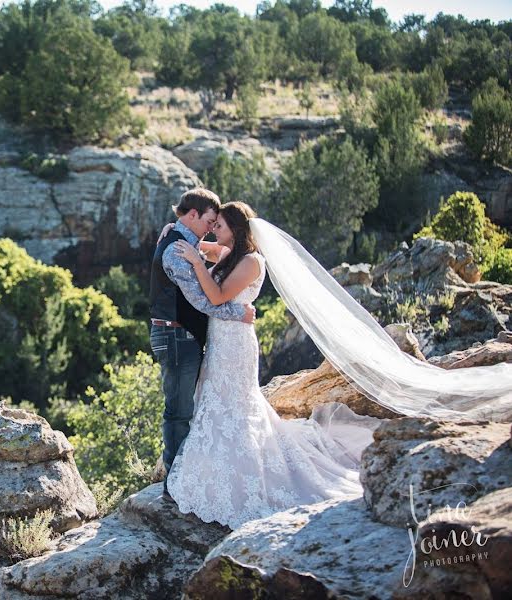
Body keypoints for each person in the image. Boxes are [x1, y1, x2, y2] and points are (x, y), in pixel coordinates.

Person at [163, 201, 512, 528]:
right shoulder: (228, 253)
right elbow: (208, 248)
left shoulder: (252, 261)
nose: (213, 232)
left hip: (236, 344)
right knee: (217, 402)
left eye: (219, 226)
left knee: (237, 404)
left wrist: (195, 262)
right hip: (223, 339)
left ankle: (245, 470)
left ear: (236, 231)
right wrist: (179, 234)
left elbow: (217, 295)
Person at [148, 188, 254, 499]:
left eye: (217, 223)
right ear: (193, 215)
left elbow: (214, 251)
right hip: (176, 336)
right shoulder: (176, 251)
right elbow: (202, 301)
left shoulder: (184, 241)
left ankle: (188, 476)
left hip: (183, 336)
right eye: (209, 220)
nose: (210, 227)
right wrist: (240, 313)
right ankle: (175, 484)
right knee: (179, 412)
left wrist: (172, 227)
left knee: (189, 408)